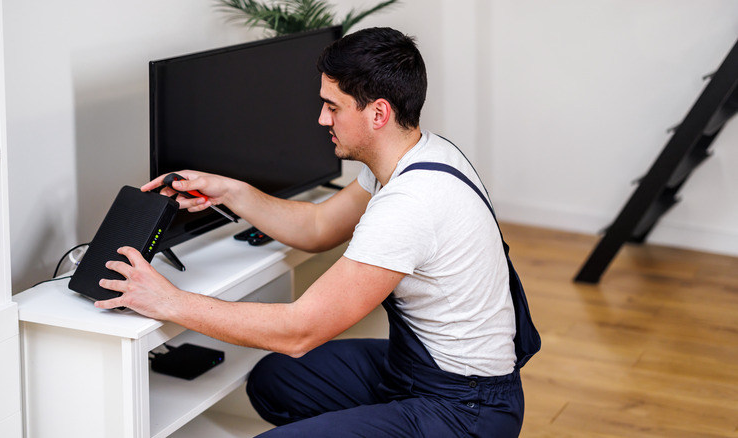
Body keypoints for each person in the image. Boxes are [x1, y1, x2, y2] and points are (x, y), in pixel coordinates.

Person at [96, 27, 535, 437]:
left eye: (333, 106)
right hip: (421, 372)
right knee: (275, 382)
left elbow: (298, 331)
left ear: (378, 113)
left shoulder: (410, 204)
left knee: (286, 364)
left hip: (466, 408)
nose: (322, 119)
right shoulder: (416, 154)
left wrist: (168, 300)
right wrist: (230, 190)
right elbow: (319, 226)